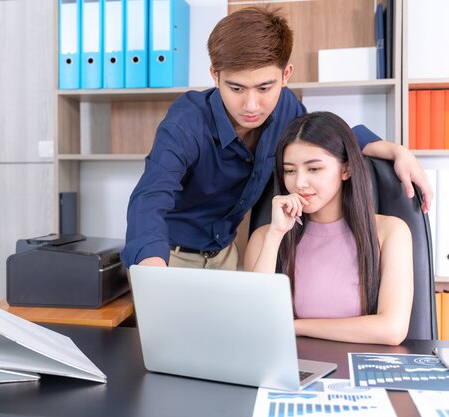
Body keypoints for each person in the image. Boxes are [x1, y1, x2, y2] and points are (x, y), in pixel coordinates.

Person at [120, 6, 432, 270]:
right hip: (170, 257)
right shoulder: (186, 122)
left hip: (228, 257)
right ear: (215, 75)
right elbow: (150, 198)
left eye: (265, 87)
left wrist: (395, 150)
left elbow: (325, 138)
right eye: (236, 88)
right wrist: (153, 274)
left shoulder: (287, 108)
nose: (252, 105)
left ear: (286, 75)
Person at [243, 111, 413, 345]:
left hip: (360, 370)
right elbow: (253, 320)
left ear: (346, 169)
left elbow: (392, 329)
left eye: (313, 169)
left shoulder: (390, 232)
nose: (299, 183)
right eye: (290, 170)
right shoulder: (265, 236)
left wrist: (294, 326)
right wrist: (275, 235)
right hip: (294, 370)